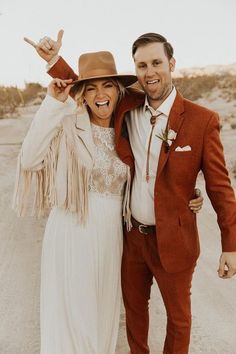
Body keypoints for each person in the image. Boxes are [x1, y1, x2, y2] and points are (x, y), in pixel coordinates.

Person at [22, 32, 205, 354]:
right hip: (71, 230)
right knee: (71, 312)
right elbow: (30, 157)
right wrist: (54, 96)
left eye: (107, 85)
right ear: (81, 93)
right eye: (90, 88)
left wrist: (189, 192)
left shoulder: (129, 121)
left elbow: (157, 167)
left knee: (103, 313)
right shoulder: (68, 121)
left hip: (112, 235)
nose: (100, 94)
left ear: (119, 90)